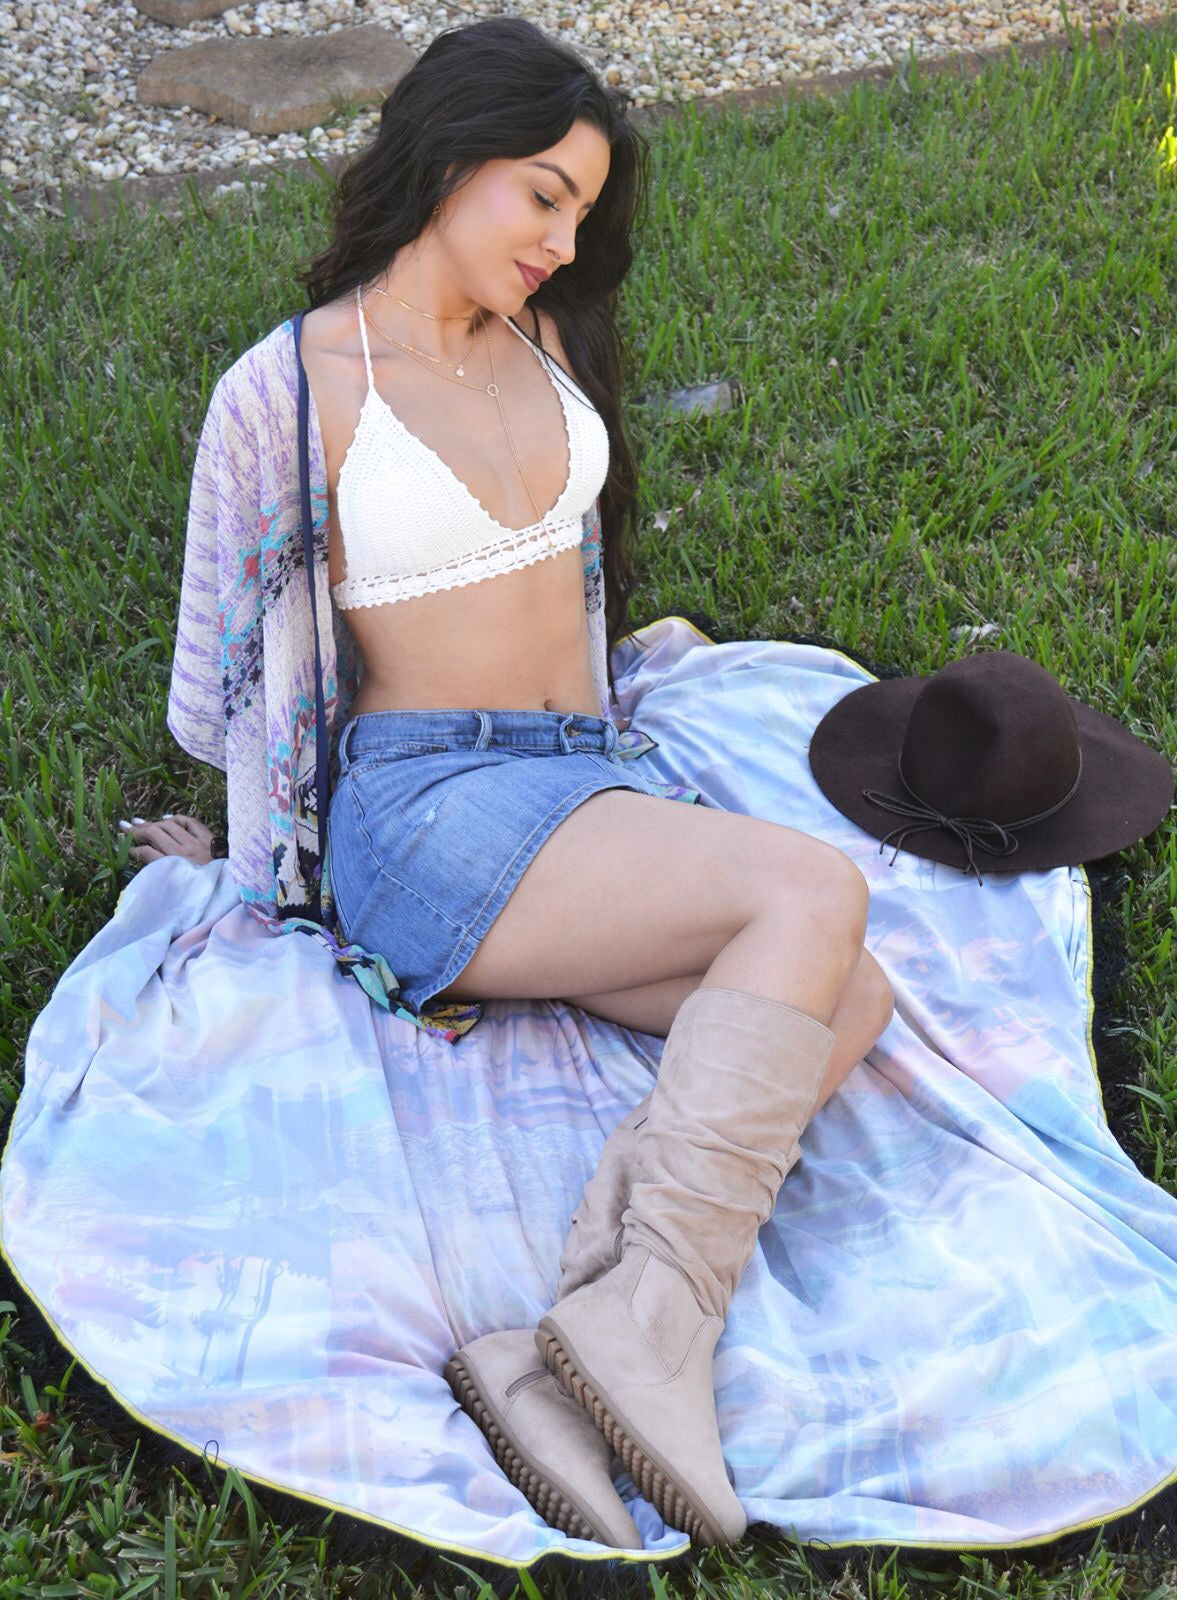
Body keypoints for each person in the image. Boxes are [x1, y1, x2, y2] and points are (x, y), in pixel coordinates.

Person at [132, 16, 893, 1550]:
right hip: (422, 818)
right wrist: (247, 852)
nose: (563, 238)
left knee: (852, 999)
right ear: (446, 152)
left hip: (578, 786)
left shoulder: (545, 339)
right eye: (541, 194)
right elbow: (218, 676)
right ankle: (654, 1328)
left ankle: (565, 1345)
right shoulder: (283, 395)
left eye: (581, 211)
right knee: (809, 890)